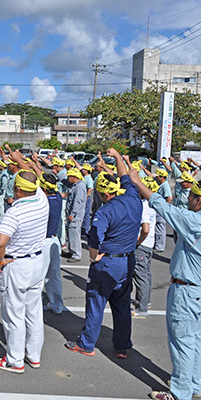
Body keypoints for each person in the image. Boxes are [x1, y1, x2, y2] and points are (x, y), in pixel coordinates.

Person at [128, 175, 201, 400]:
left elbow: (162, 206)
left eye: (192, 196)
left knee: (182, 341)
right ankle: (193, 384)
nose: (189, 199)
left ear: (199, 201)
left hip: (185, 289)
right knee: (195, 339)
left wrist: (137, 182)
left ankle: (181, 393)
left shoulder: (196, 222)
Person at [65, 148, 142, 359]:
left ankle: (86, 344)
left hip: (108, 262)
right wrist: (118, 157)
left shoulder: (105, 211)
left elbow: (94, 239)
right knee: (122, 305)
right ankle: (123, 346)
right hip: (127, 261)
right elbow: (125, 176)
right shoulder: (133, 197)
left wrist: (93, 257)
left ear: (105, 194)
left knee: (96, 303)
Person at [0, 152, 49, 373]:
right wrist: (20, 160)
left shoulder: (14, 213)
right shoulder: (42, 199)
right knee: (34, 312)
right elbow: (36, 175)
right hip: (37, 261)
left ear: (17, 189)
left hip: (16, 264)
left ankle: (14, 360)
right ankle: (33, 356)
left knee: (14, 314)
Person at [131, 176, 157, 319]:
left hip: (143, 244)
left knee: (140, 276)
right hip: (149, 243)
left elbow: (145, 228)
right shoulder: (151, 203)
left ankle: (141, 309)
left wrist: (138, 242)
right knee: (146, 274)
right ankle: (145, 301)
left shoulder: (144, 206)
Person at [40, 172, 64, 315]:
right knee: (54, 276)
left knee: (38, 277)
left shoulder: (43, 203)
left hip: (43, 242)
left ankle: (33, 306)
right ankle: (57, 305)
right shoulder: (58, 198)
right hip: (54, 241)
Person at [64, 167, 86, 263]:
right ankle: (72, 251)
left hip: (75, 216)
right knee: (71, 234)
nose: (68, 178)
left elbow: (78, 202)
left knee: (74, 235)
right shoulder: (75, 185)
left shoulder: (80, 186)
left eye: (69, 176)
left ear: (73, 177)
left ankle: (76, 254)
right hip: (72, 215)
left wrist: (72, 214)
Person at [153, 168, 172, 252]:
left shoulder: (165, 185)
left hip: (161, 209)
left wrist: (165, 208)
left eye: (157, 177)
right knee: (157, 226)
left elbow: (169, 197)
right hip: (158, 208)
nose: (156, 178)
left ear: (162, 177)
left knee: (160, 227)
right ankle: (157, 243)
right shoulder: (161, 185)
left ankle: (160, 246)